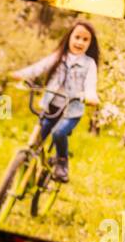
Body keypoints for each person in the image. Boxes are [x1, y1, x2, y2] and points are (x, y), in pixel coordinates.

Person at [8, 19, 101, 183]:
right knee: (39, 138)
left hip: (71, 111)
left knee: (59, 133)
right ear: (69, 37)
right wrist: (22, 74)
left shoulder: (89, 64)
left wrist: (90, 95)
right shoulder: (59, 56)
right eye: (77, 37)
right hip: (51, 106)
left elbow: (90, 85)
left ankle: (62, 163)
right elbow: (39, 67)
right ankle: (28, 168)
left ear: (90, 44)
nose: (80, 42)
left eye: (85, 39)